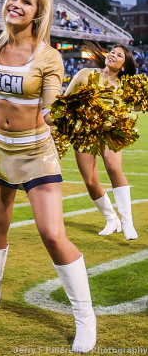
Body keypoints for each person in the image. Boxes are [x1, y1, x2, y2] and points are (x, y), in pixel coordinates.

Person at [0, 0, 96, 353]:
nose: (15, 4)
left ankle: (85, 317)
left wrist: (60, 116)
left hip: (35, 152)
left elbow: (51, 105)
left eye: (26, 2)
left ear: (38, 13)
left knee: (52, 234)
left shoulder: (48, 57)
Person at [65, 42, 138, 240]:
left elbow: (128, 114)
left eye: (119, 55)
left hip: (111, 131)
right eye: (112, 52)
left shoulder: (125, 86)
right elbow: (66, 99)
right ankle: (111, 218)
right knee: (90, 180)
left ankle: (127, 221)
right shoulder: (85, 74)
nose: (113, 55)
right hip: (84, 130)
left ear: (124, 65)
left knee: (113, 167)